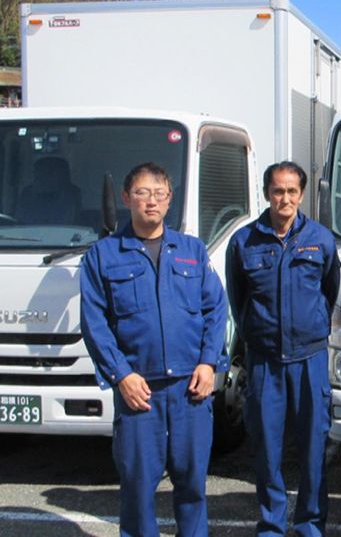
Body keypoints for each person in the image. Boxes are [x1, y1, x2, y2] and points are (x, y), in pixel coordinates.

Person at [80, 162, 228, 537]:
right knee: (137, 488)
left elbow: (216, 309)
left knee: (192, 485)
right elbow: (94, 323)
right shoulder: (104, 255)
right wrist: (121, 375)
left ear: (169, 199)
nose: (151, 201)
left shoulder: (192, 250)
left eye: (159, 193)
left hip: (190, 389)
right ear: (126, 198)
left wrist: (209, 363)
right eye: (142, 193)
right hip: (139, 391)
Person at [226, 161, 340, 536]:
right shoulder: (244, 242)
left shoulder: (321, 239)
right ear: (266, 194)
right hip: (265, 362)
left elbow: (330, 289)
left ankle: (310, 523)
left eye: (292, 191)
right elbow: (238, 298)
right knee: (267, 447)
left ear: (302, 194)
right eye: (278, 191)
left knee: (313, 447)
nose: (285, 199)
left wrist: (311, 327)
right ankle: (272, 524)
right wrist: (257, 335)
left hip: (309, 359)